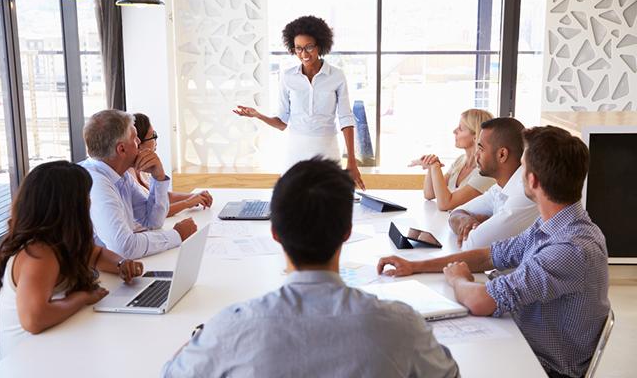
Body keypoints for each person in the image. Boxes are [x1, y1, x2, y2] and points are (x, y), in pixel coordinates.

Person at [162, 158, 459, 378]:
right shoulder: (401, 326)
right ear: (347, 231)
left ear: (275, 233)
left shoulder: (231, 329)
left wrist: (203, 337)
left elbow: (171, 374)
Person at [377, 126, 610, 378]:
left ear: (532, 180)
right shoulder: (555, 224)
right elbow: (489, 255)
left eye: (522, 166)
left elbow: (481, 301)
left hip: (543, 366)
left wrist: (458, 279)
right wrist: (416, 266)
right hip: (523, 341)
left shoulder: (570, 248)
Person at [0, 161, 144, 361]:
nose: (89, 203)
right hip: (27, 360)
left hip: (51, 348)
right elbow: (33, 319)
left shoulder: (59, 241)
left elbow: (96, 254)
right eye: (86, 197)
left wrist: (121, 264)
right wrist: (81, 298)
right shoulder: (39, 254)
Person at [233, 15, 366, 190]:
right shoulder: (288, 77)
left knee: (328, 199)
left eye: (309, 47)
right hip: (295, 148)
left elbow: (346, 119)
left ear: (320, 45)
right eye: (298, 48)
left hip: (327, 146)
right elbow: (282, 123)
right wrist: (258, 115)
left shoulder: (336, 76)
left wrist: (352, 161)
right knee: (292, 199)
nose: (304, 54)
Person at [81, 109, 197, 260]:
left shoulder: (119, 175)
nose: (139, 144)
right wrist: (177, 235)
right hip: (93, 276)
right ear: (121, 149)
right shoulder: (95, 183)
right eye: (135, 139)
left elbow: (153, 221)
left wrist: (158, 177)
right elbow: (124, 247)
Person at [448, 117, 538, 249]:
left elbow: (472, 245)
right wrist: (466, 221)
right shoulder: (499, 187)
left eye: (481, 149)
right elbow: (455, 213)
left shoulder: (524, 192)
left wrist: (477, 228)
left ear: (502, 155)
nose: (476, 155)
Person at [410, 108, 495, 211]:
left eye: (460, 129)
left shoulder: (486, 172)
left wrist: (435, 167)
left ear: (476, 136)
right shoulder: (460, 160)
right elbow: (429, 194)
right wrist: (431, 165)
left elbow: (446, 204)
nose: (454, 131)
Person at [131, 113, 212, 217]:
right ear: (137, 143)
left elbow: (163, 197)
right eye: (153, 136)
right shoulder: (126, 178)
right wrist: (187, 203)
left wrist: (194, 196)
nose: (156, 142)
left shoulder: (143, 171)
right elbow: (151, 213)